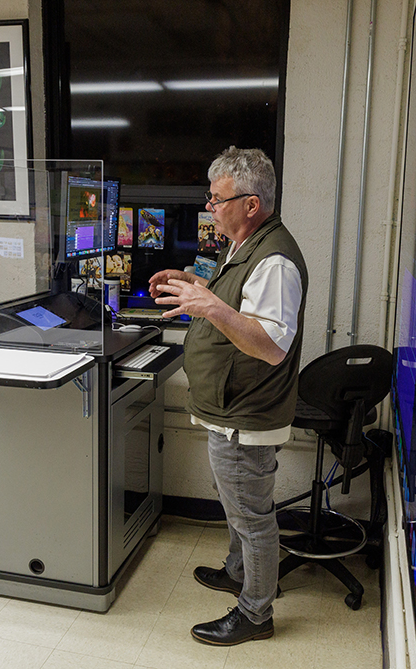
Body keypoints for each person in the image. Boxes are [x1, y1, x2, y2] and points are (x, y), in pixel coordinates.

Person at [150, 146, 307, 646]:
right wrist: (193, 284)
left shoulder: (275, 260)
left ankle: (255, 613)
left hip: (248, 412)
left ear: (251, 203)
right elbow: (233, 303)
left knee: (252, 516)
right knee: (237, 502)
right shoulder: (244, 246)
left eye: (217, 200)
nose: (210, 208)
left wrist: (208, 307)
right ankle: (238, 572)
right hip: (230, 407)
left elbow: (271, 345)